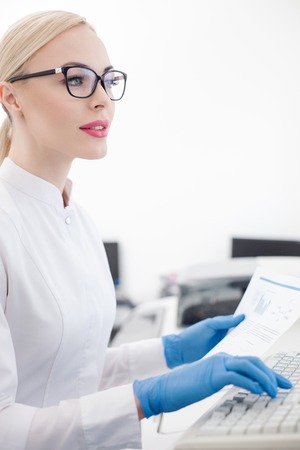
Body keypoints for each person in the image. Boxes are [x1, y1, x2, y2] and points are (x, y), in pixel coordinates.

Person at [0, 10, 292, 450]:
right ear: (12, 98)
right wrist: (146, 397)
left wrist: (170, 351)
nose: (102, 100)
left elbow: (71, 370)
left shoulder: (77, 220)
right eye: (76, 79)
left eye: (107, 80)